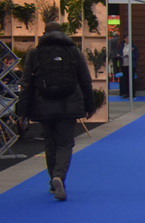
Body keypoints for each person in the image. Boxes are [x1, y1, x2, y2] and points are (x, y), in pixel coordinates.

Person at [14, 22, 95, 202]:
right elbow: (85, 80)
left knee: (50, 144)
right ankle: (60, 176)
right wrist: (90, 105)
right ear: (62, 33)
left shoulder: (35, 54)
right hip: (69, 105)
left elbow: (26, 84)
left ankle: (54, 182)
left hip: (43, 106)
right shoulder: (73, 52)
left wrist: (23, 112)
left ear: (44, 34)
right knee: (65, 143)